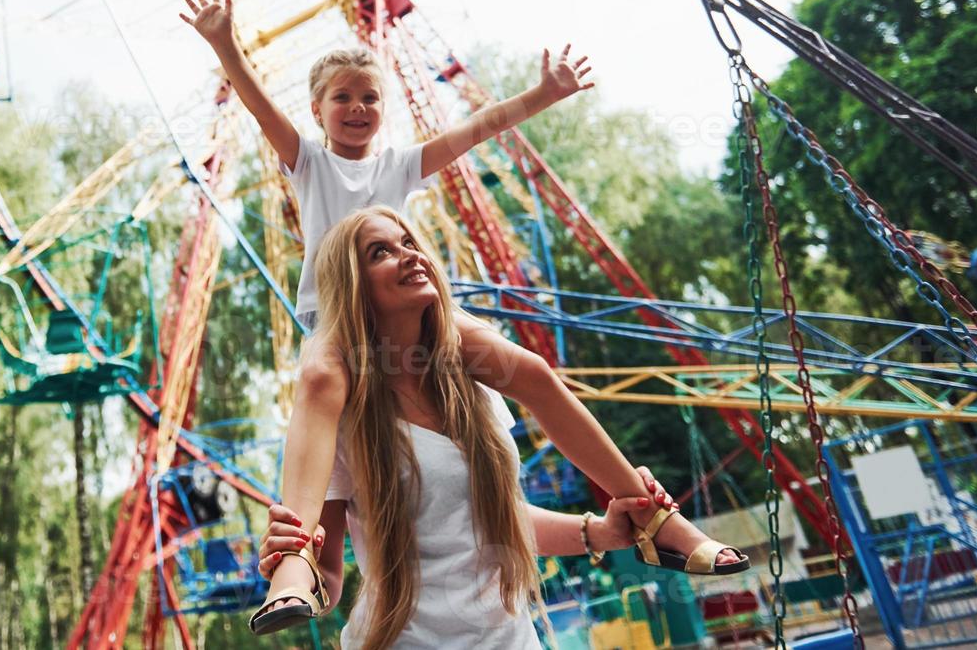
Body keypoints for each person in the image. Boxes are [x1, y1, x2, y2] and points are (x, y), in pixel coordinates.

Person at [176, 0, 747, 636]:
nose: (358, 108)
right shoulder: (309, 163)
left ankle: (651, 517)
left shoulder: (401, 164)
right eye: (343, 98)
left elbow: (477, 130)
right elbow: (259, 108)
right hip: (338, 320)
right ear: (318, 109)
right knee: (318, 379)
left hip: (409, 316)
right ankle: (294, 564)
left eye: (369, 98)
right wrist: (224, 43)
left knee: (526, 368)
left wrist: (543, 96)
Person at [253, 207, 730, 648]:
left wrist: (599, 532)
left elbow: (495, 518)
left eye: (408, 243)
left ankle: (652, 518)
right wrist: (303, 567)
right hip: (404, 640)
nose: (409, 256)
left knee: (536, 373)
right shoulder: (342, 421)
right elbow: (333, 580)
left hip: (509, 639)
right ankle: (290, 571)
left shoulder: (474, 391)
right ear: (356, 286)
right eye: (382, 252)